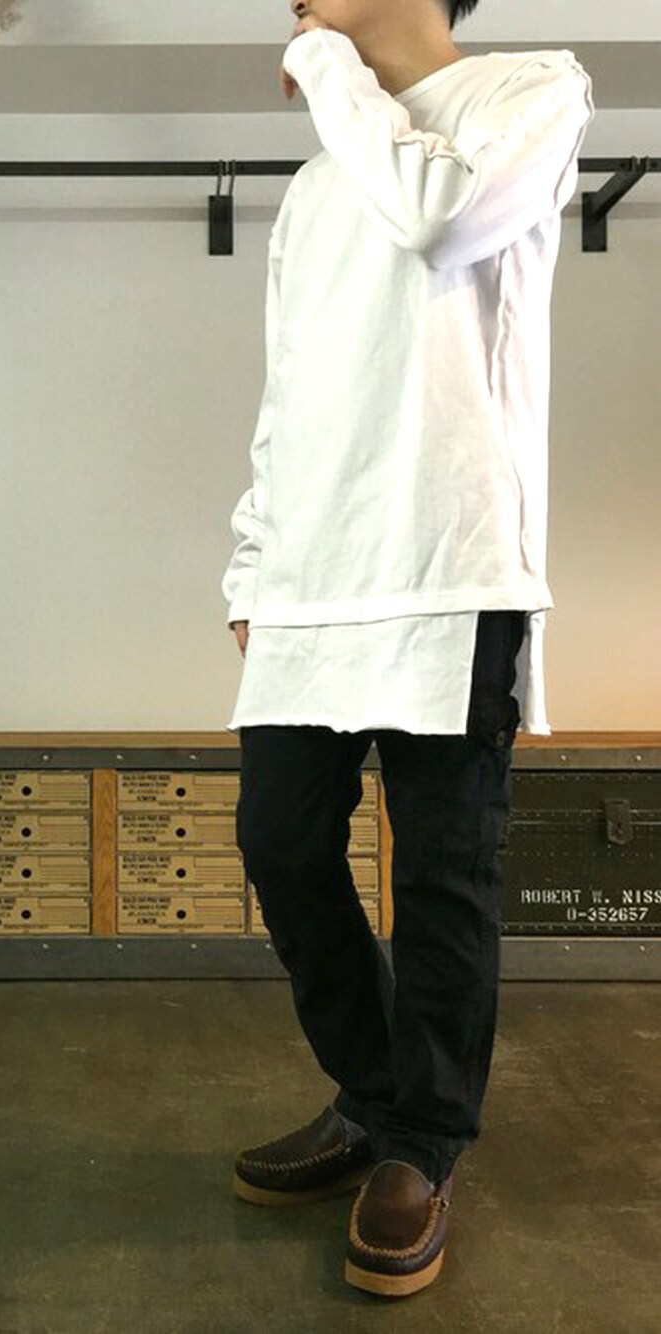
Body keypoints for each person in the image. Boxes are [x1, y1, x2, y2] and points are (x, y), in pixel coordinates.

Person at [221, 0, 594, 1299]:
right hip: (312, 580)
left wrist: (325, 60)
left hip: (451, 565)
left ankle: (423, 1146)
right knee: (279, 841)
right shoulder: (317, 179)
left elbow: (436, 212)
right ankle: (376, 1095)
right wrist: (252, 560)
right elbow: (291, 390)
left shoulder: (533, 93)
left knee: (443, 872)